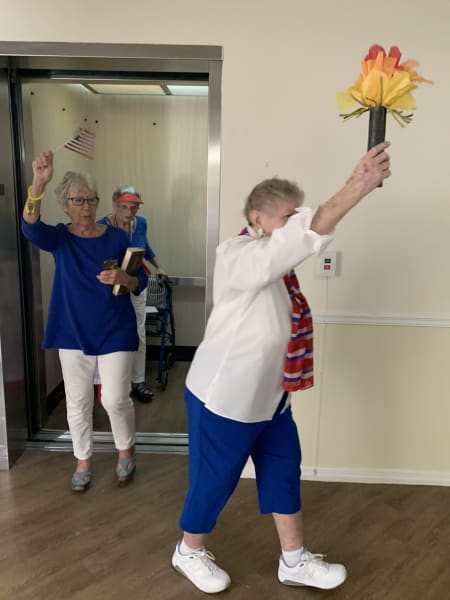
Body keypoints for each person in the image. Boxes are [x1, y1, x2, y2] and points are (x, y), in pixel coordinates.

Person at [171, 142, 391, 593]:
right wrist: (357, 187)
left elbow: (291, 249)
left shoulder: (277, 269)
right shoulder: (238, 255)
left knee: (284, 470)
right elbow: (292, 244)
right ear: (257, 220)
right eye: (286, 217)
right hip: (225, 398)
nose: (295, 224)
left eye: (296, 215)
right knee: (215, 481)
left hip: (272, 398)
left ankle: (293, 561)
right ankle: (187, 551)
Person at [21, 151, 148, 492]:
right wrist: (38, 184)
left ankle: (125, 450)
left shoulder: (116, 237)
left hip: (115, 330)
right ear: (65, 204)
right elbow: (29, 226)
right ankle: (83, 460)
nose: (87, 207)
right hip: (72, 330)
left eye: (91, 200)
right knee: (77, 402)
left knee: (114, 399)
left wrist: (126, 276)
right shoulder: (60, 238)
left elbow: (140, 282)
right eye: (78, 201)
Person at [98, 186, 166, 402]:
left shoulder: (141, 223)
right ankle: (111, 383)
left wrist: (158, 266)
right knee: (111, 331)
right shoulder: (102, 226)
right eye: (123, 207)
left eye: (133, 207)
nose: (128, 212)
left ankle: (137, 381)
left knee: (139, 332)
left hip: (137, 282)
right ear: (114, 204)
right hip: (111, 288)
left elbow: (144, 246)